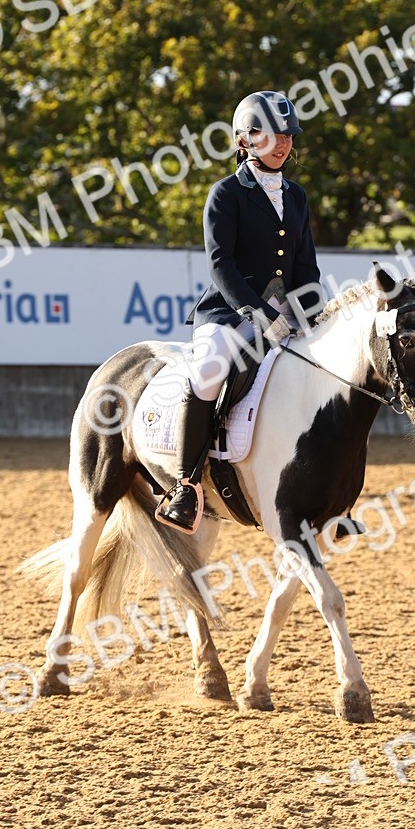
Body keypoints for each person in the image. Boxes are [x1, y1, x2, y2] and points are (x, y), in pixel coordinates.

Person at [155, 90, 324, 533]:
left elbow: (305, 266)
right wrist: (256, 311)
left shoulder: (297, 195)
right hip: (230, 313)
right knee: (209, 371)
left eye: (289, 135)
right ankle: (185, 485)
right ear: (246, 139)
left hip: (285, 315)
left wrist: (312, 310)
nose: (284, 143)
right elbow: (220, 263)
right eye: (274, 134)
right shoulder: (226, 193)